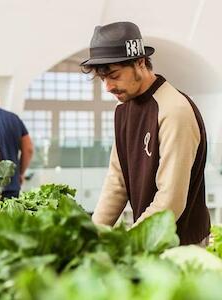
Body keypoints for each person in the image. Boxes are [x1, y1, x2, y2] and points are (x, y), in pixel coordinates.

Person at [81, 21, 209, 245]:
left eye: (114, 75)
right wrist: (91, 237)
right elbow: (117, 181)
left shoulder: (173, 110)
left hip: (181, 247)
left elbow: (171, 200)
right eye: (103, 79)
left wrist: (127, 244)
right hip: (148, 240)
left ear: (140, 62)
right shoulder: (123, 110)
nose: (108, 87)